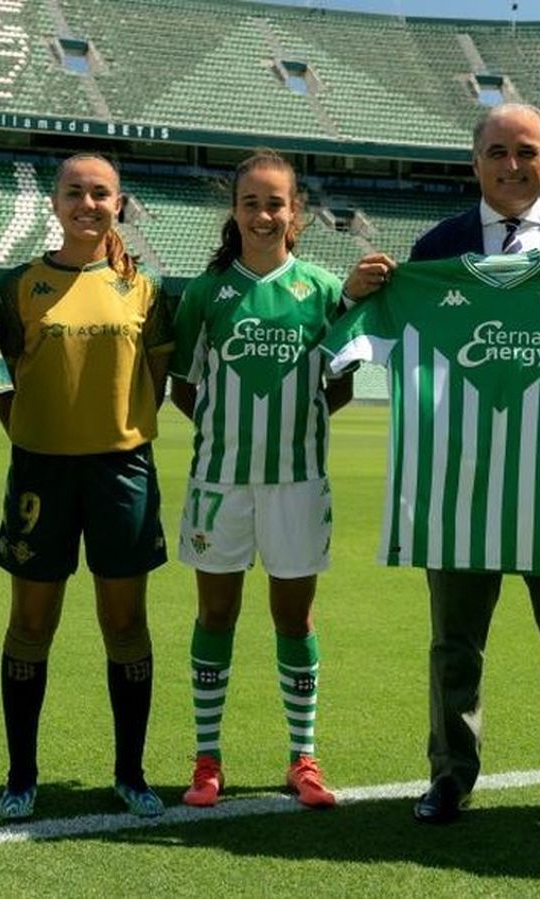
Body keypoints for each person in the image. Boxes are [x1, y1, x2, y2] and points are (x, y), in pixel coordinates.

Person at [342, 103, 540, 839]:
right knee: (455, 644)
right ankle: (450, 776)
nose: (512, 166)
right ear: (474, 162)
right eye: (497, 152)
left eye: (526, 151)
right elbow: (376, 339)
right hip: (458, 484)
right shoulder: (436, 246)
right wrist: (360, 293)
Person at [0, 154, 173, 820]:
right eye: (74, 192)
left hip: (122, 471)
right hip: (42, 472)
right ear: (55, 202)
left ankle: (130, 772)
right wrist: (37, 434)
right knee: (31, 621)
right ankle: (21, 776)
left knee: (125, 621)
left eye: (100, 193)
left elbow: (157, 379)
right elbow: (0, 379)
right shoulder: (18, 286)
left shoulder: (144, 289)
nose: (87, 204)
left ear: (118, 204)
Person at [167, 151, 352, 810]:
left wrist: (292, 430)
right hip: (220, 484)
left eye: (276, 203)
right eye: (252, 203)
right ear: (235, 210)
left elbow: (339, 385)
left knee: (294, 618)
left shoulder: (323, 291)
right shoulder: (206, 292)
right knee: (216, 614)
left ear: (295, 211)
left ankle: (303, 756)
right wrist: (232, 434)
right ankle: (207, 759)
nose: (263, 215)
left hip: (298, 483)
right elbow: (184, 389)